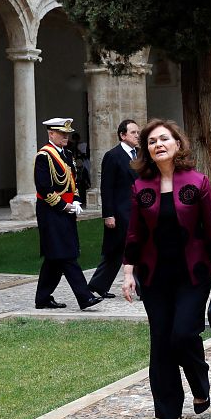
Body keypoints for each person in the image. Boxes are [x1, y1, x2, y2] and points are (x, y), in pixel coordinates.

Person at [121, 119, 211, 419]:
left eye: (164, 139)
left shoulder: (197, 182)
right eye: (152, 141)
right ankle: (167, 410)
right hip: (153, 276)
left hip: (192, 274)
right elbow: (134, 234)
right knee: (161, 341)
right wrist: (128, 273)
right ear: (147, 150)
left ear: (177, 145)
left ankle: (199, 380)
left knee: (182, 334)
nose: (158, 144)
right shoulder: (140, 187)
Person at [33, 117, 103, 311]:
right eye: (62, 134)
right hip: (51, 212)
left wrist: (77, 201)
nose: (66, 137)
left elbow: (73, 181)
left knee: (55, 256)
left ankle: (43, 298)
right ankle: (85, 297)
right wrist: (64, 206)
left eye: (67, 134)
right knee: (66, 255)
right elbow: (44, 188)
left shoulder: (67, 154)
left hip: (66, 210)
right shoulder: (44, 156)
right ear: (51, 134)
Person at [88, 119, 140, 299]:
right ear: (122, 135)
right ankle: (99, 284)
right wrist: (108, 214)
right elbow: (106, 187)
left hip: (138, 210)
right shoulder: (113, 156)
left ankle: (99, 285)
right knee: (117, 249)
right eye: (133, 132)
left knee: (131, 248)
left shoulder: (140, 155)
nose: (137, 136)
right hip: (120, 212)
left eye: (137, 132)